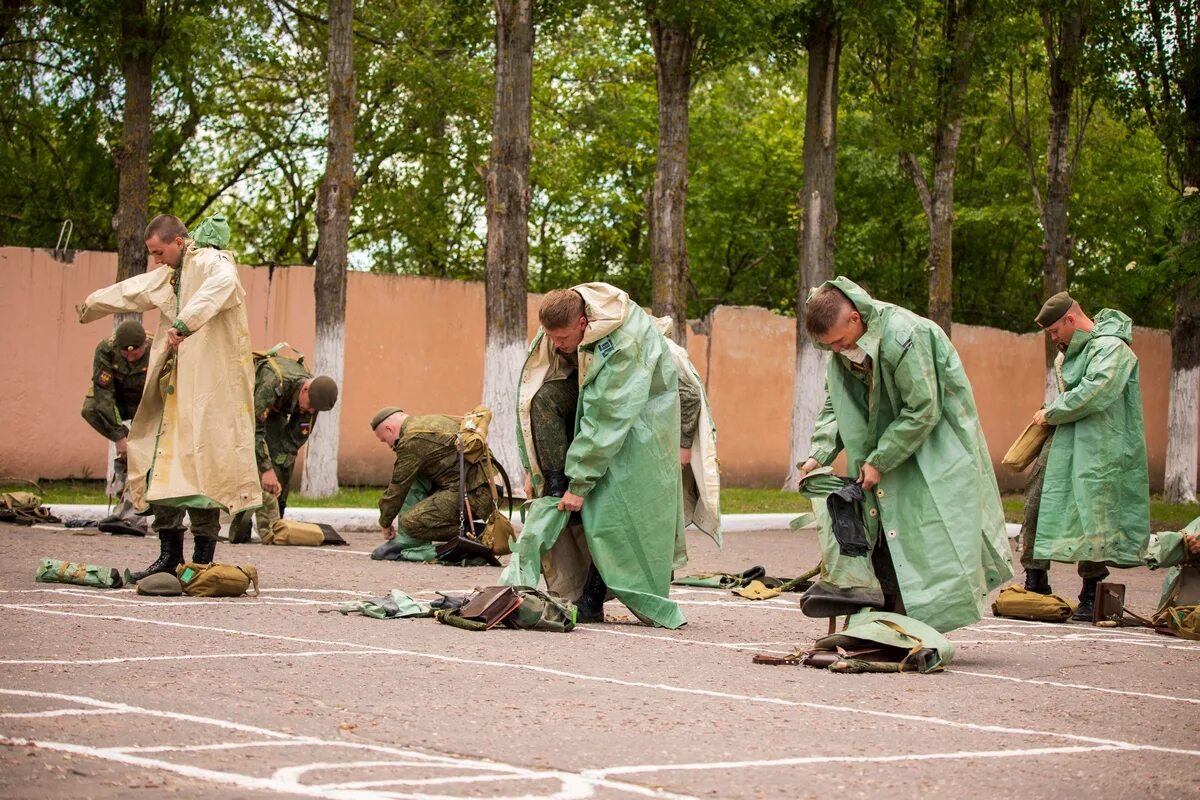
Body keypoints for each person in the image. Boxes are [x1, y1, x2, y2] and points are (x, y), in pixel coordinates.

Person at [797, 277, 1013, 633]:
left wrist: (880, 460)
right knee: (878, 523)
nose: (836, 350)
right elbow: (837, 401)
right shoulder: (843, 348)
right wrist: (818, 454)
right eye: (828, 346)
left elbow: (923, 408)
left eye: (838, 341)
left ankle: (924, 621)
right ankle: (878, 610)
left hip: (934, 447)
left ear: (854, 318)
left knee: (927, 530)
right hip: (883, 445)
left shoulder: (904, 335)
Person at [77, 214, 260, 581]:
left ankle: (202, 559)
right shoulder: (172, 275)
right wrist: (91, 304)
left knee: (204, 474)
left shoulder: (213, 261)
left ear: (179, 241)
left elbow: (223, 286)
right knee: (161, 467)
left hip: (208, 391)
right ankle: (169, 556)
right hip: (174, 388)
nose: (157, 260)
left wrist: (184, 322)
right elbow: (134, 289)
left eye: (160, 252)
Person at [509, 284, 686, 628]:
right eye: (552, 337)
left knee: (611, 504)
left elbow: (608, 414)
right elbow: (527, 399)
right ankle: (559, 491)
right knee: (546, 399)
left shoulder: (625, 340)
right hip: (598, 406)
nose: (557, 345)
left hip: (642, 422)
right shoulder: (558, 324)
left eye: (562, 337)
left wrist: (583, 481)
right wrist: (539, 476)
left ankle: (594, 594)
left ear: (583, 322)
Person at [1021, 291, 1150, 620]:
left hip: (1102, 445)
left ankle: (1092, 590)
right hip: (1066, 439)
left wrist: (1051, 411)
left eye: (1054, 331)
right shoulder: (1068, 354)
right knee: (1036, 499)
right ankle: (1036, 582)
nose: (1053, 339)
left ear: (1070, 320)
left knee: (1093, 511)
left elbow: (1096, 391)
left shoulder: (1111, 347)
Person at [229, 347, 339, 543]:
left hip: (274, 412)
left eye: (315, 409)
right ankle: (241, 525)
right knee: (258, 462)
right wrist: (267, 469)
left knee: (284, 460)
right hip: (246, 407)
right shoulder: (273, 381)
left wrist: (279, 468)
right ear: (305, 389)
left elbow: (294, 440)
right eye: (310, 405)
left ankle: (276, 520)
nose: (310, 410)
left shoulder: (314, 398)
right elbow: (254, 430)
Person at [370, 407, 496, 543]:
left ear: (389, 429)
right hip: (489, 487)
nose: (389, 446)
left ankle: (481, 536)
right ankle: (474, 535)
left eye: (384, 440)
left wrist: (385, 522)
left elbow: (398, 487)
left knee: (410, 523)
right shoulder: (432, 421)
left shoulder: (411, 441)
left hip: (477, 494)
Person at [81, 319, 152, 535]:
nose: (130, 357)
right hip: (120, 400)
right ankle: (122, 507)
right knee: (90, 408)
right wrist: (120, 436)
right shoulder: (106, 349)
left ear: (145, 346)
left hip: (148, 405)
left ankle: (136, 514)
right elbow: (103, 396)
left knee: (142, 454)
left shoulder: (157, 348)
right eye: (125, 353)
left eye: (135, 353)